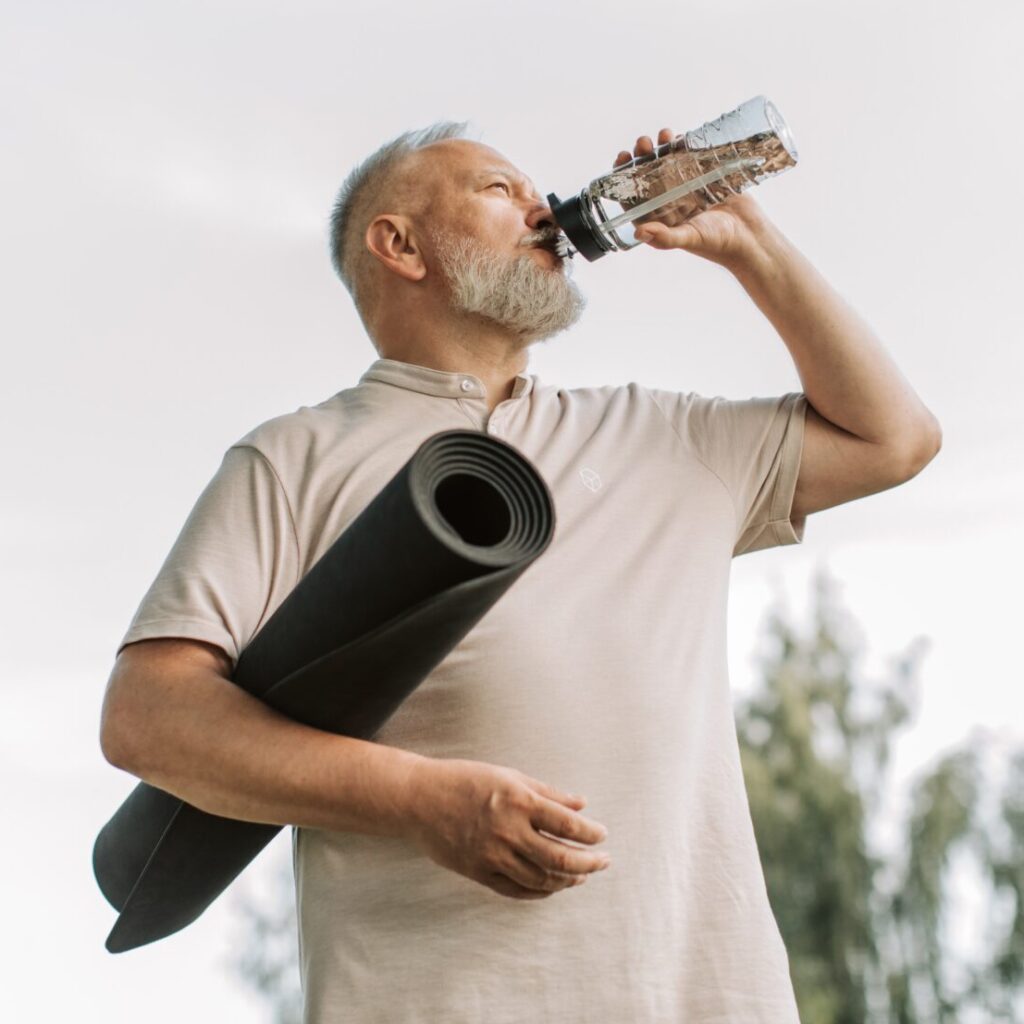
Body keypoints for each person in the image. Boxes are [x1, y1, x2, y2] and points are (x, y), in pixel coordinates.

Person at [99, 120, 941, 1023]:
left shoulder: (665, 436)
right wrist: (421, 799)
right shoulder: (295, 458)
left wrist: (750, 244)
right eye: (499, 189)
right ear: (400, 244)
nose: (542, 206)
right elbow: (148, 718)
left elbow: (894, 439)